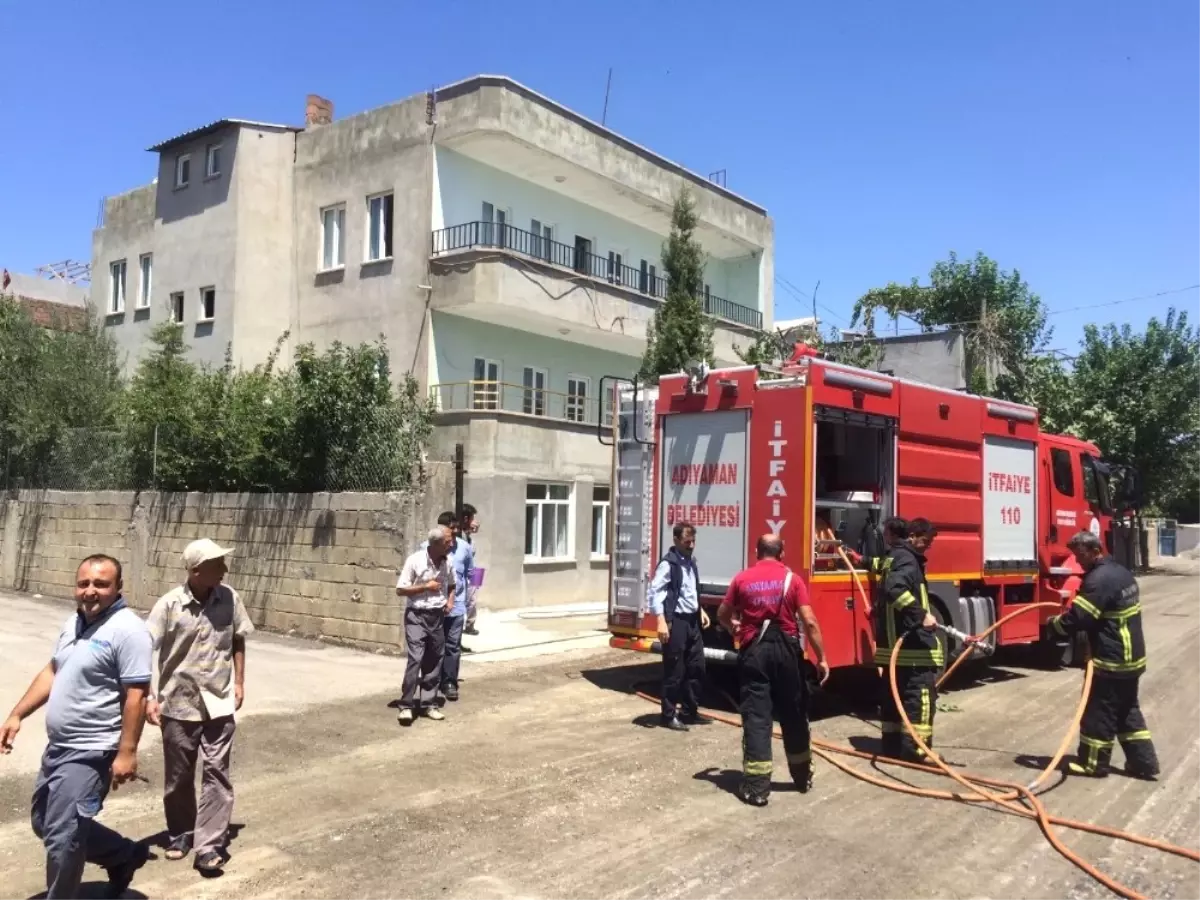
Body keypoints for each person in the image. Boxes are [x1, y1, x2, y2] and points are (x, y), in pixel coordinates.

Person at [0, 554, 153, 899]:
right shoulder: (74, 622)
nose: (90, 591)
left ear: (118, 588)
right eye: (84, 583)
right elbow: (53, 670)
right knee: (45, 823)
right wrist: (16, 714)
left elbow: (137, 695)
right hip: (59, 747)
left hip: (92, 750)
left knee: (63, 837)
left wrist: (127, 752)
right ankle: (124, 854)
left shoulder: (129, 631)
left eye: (101, 584)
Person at [145, 538, 254, 874]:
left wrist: (238, 681)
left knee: (217, 773)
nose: (225, 568)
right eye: (217, 564)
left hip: (219, 701)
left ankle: (209, 846)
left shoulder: (230, 597)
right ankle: (180, 832)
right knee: (178, 777)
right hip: (178, 703)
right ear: (195, 571)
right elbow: (142, 648)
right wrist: (150, 696)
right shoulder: (169, 605)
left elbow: (238, 638)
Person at [717, 534, 830, 807]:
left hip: (754, 652)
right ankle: (802, 777)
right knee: (793, 714)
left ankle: (757, 789)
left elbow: (723, 613)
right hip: (787, 653)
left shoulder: (742, 579)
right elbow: (810, 622)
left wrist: (734, 628)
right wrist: (822, 658)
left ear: (757, 551)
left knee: (757, 718)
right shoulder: (793, 580)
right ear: (782, 552)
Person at [1049, 531, 1159, 779]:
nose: (1078, 561)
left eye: (1081, 556)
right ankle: (1144, 764)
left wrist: (1054, 625)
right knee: (1126, 711)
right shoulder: (1121, 572)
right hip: (1131, 658)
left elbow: (1079, 618)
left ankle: (1093, 764)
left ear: (1095, 550)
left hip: (1112, 659)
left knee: (1098, 712)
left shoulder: (1099, 579)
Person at [874, 517, 944, 761]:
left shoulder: (894, 556)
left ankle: (892, 747)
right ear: (912, 536)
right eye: (926, 541)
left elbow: (884, 579)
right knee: (920, 696)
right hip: (912, 647)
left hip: (893, 647)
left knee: (894, 697)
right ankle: (917, 750)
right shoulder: (906, 558)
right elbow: (894, 588)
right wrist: (921, 614)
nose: (928, 546)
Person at [648, 522, 710, 731]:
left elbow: (690, 590)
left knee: (696, 667)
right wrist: (660, 620)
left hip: (692, 621)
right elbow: (656, 592)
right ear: (676, 541)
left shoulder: (691, 562)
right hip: (677, 622)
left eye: (693, 541)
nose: (691, 545)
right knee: (674, 670)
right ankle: (668, 715)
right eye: (687, 542)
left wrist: (699, 609)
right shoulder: (669, 564)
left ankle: (690, 712)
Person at [396, 525, 456, 725]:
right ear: (437, 543)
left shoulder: (448, 562)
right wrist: (425, 587)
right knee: (416, 657)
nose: (452, 544)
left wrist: (450, 601)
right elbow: (400, 590)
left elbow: (452, 584)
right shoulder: (415, 560)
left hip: (437, 616)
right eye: (448, 541)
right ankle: (406, 705)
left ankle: (429, 703)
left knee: (435, 659)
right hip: (417, 615)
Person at [422, 511, 472, 702]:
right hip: (434, 606)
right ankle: (431, 681)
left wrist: (472, 599)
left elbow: (471, 573)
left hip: (457, 606)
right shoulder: (426, 548)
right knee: (434, 646)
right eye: (452, 528)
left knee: (452, 646)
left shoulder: (465, 548)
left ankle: (449, 682)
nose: (456, 531)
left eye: (457, 528)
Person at [459, 503, 482, 637]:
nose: (476, 521)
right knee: (464, 601)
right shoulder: (458, 535)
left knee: (473, 599)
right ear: (466, 518)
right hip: (464, 572)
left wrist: (470, 532)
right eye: (473, 518)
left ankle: (470, 625)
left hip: (473, 570)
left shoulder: (467, 534)